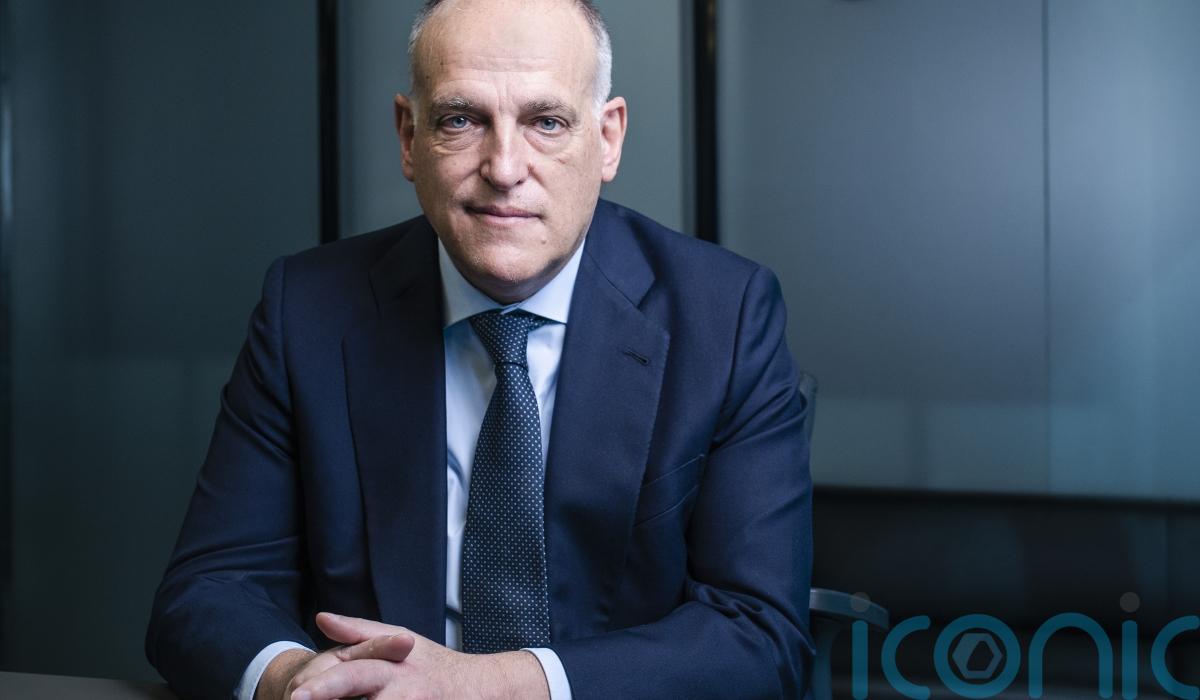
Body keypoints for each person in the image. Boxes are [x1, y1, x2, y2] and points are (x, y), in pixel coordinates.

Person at [145, 0, 814, 698]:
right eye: (461, 120)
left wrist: (484, 685)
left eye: (546, 122)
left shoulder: (726, 317)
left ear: (607, 138)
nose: (504, 167)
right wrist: (298, 681)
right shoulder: (307, 310)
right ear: (410, 137)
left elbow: (761, 637)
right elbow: (207, 591)